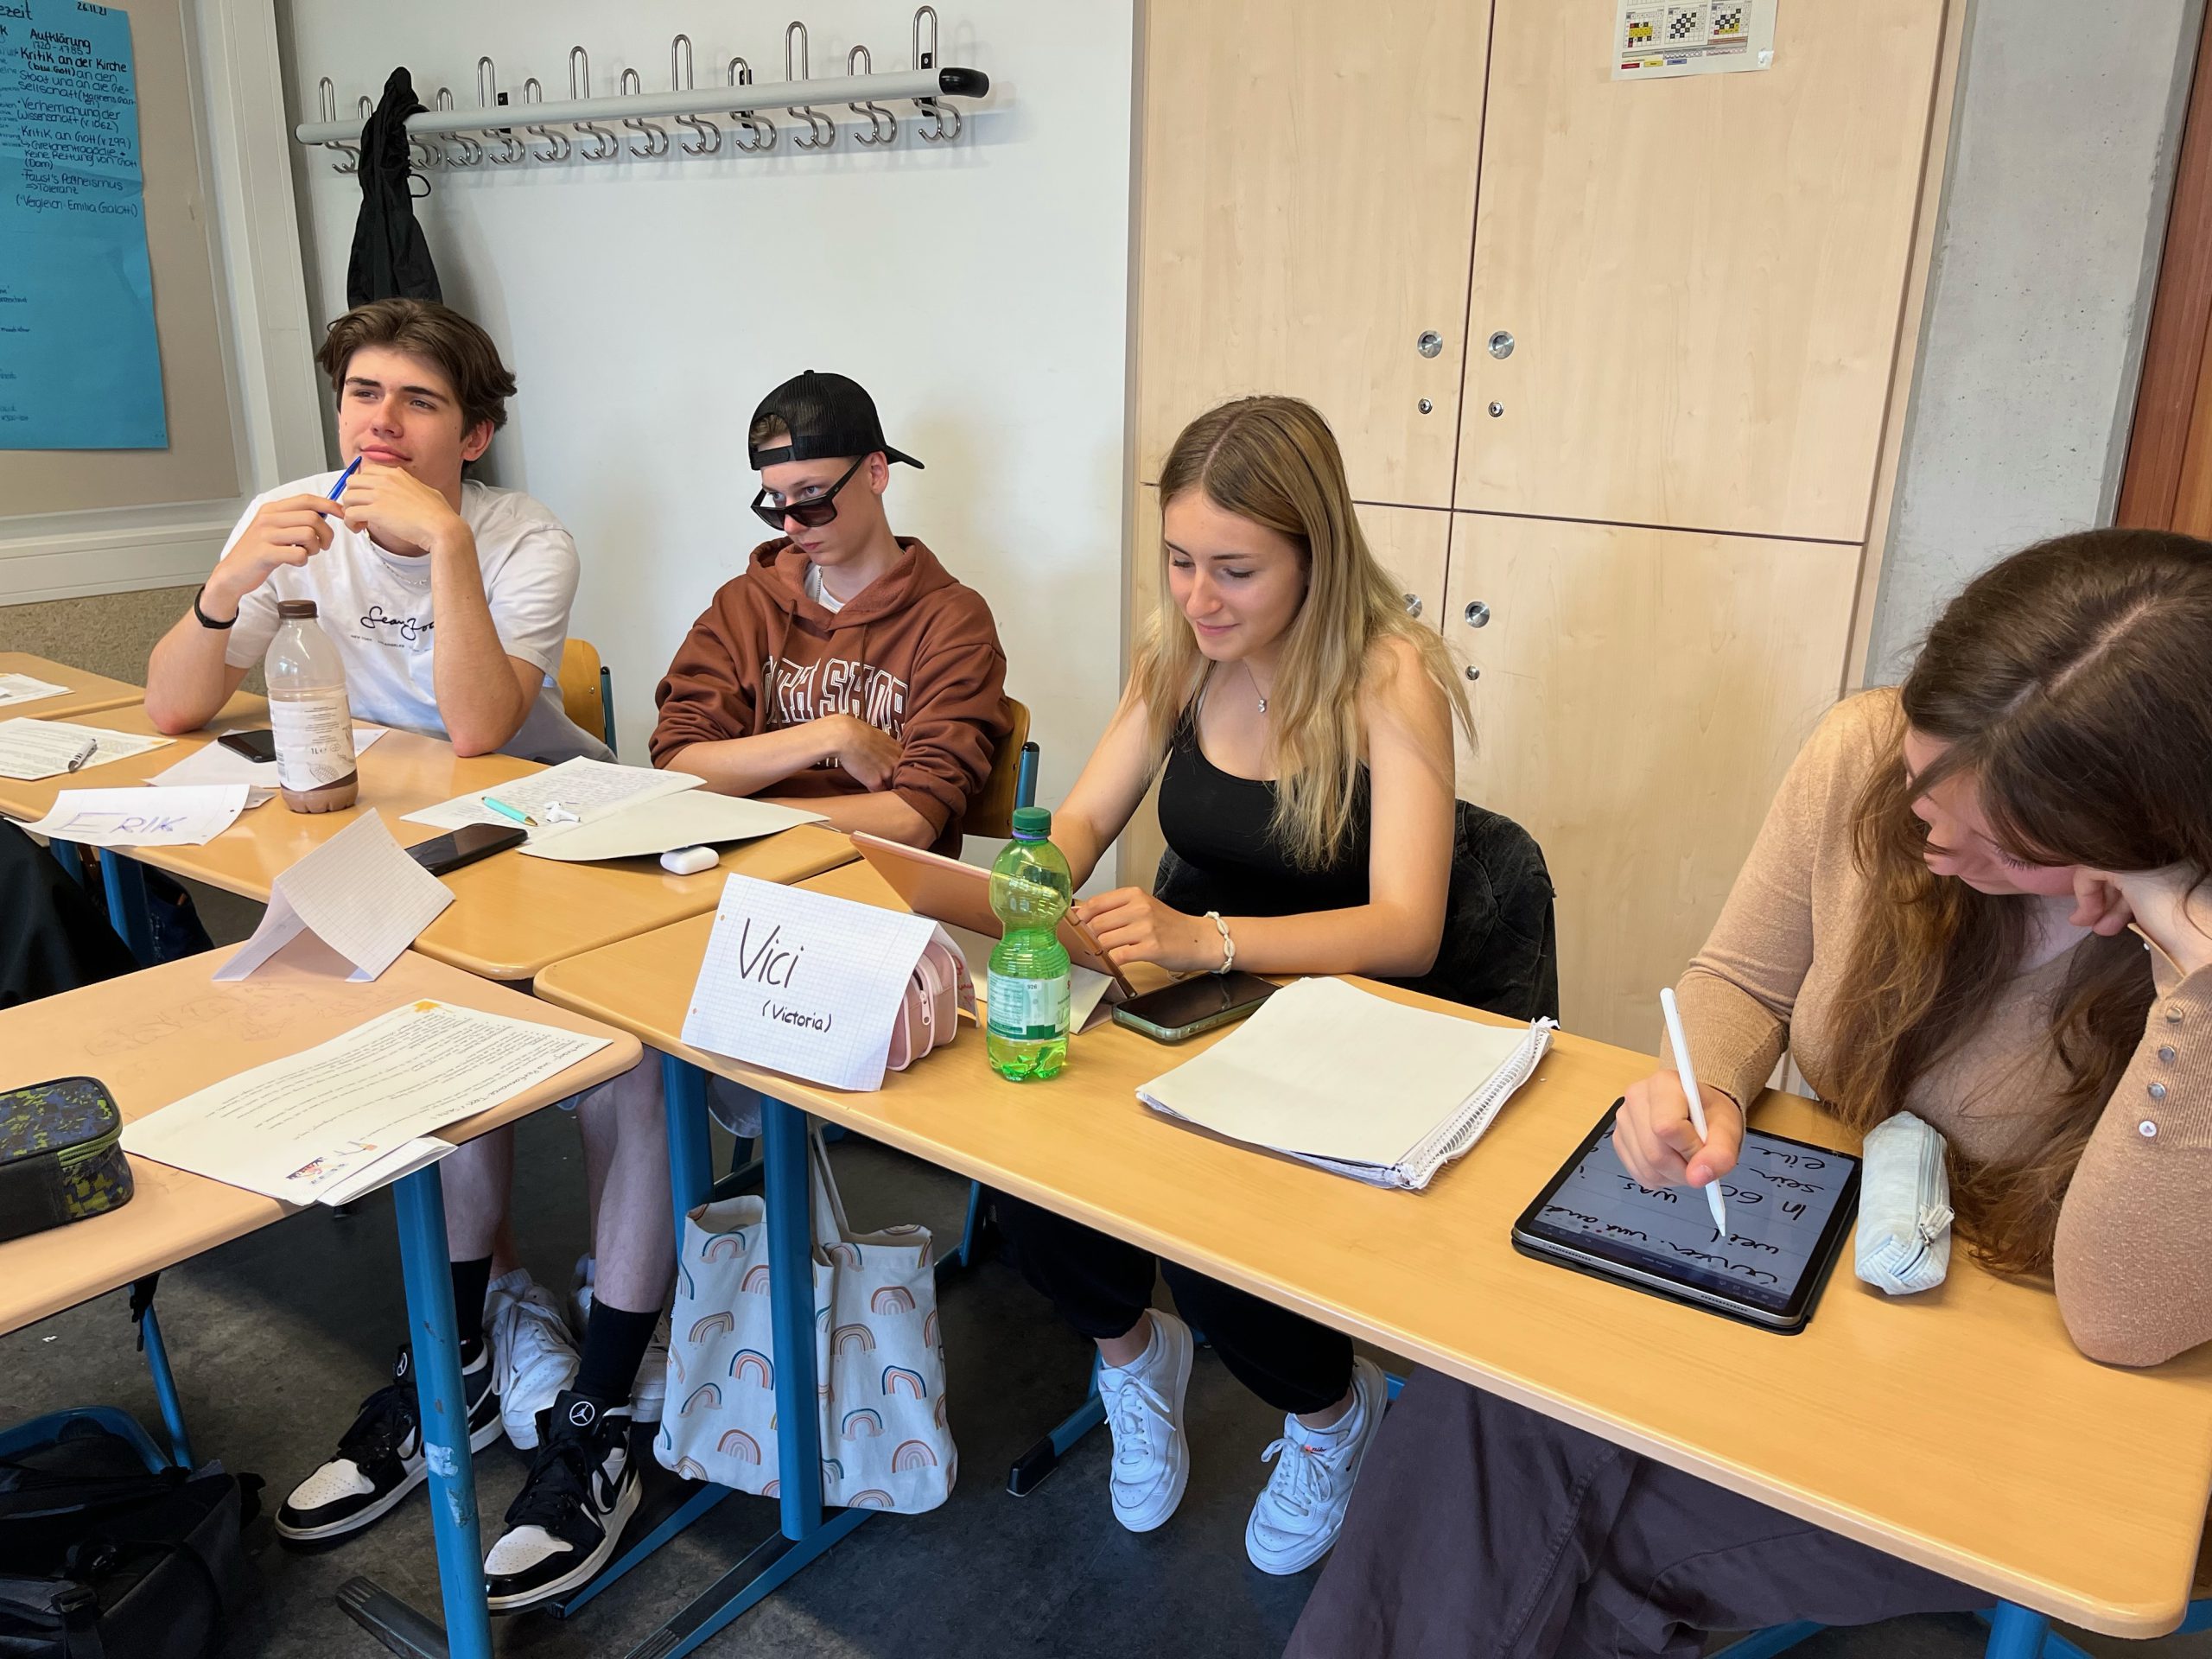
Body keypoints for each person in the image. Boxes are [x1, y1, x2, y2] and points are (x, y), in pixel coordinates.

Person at [1288, 527, 2212, 1657]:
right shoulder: (1861, 753)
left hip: (2020, 1404)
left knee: (1564, 1533)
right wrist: (1704, 1083)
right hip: (1813, 1294)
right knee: (1490, 1391)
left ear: (2153, 842)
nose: (1934, 834)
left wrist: (2194, 986)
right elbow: (1739, 980)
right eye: (1922, 782)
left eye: (2013, 846)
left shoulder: (2191, 969)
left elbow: (2122, 1319)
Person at [991, 395, 1473, 1573]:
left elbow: (1408, 930)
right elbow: (1084, 821)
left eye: (1235, 571)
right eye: (1179, 560)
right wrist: (1030, 881)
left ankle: (1331, 1416)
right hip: (1190, 1003)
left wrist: (1207, 940)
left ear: (1316, 556)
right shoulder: (1179, 654)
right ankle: (1130, 1358)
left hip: (1338, 1015)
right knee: (1024, 1184)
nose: (1199, 598)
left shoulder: (1390, 674)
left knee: (1218, 1249)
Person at [145, 297, 606, 762]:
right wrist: (222, 586)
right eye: (364, 394)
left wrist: (448, 540)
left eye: (420, 402)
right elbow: (171, 712)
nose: (383, 422)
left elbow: (477, 735)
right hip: (372, 772)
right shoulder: (285, 515)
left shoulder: (530, 540)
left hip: (526, 782)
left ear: (474, 438)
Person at [650, 370, 1011, 854]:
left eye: (812, 495)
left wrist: (741, 818)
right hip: (740, 869)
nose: (792, 524)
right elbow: (679, 767)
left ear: (875, 473)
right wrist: (831, 735)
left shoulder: (952, 621)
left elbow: (912, 819)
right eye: (777, 501)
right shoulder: (745, 605)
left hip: (875, 881)